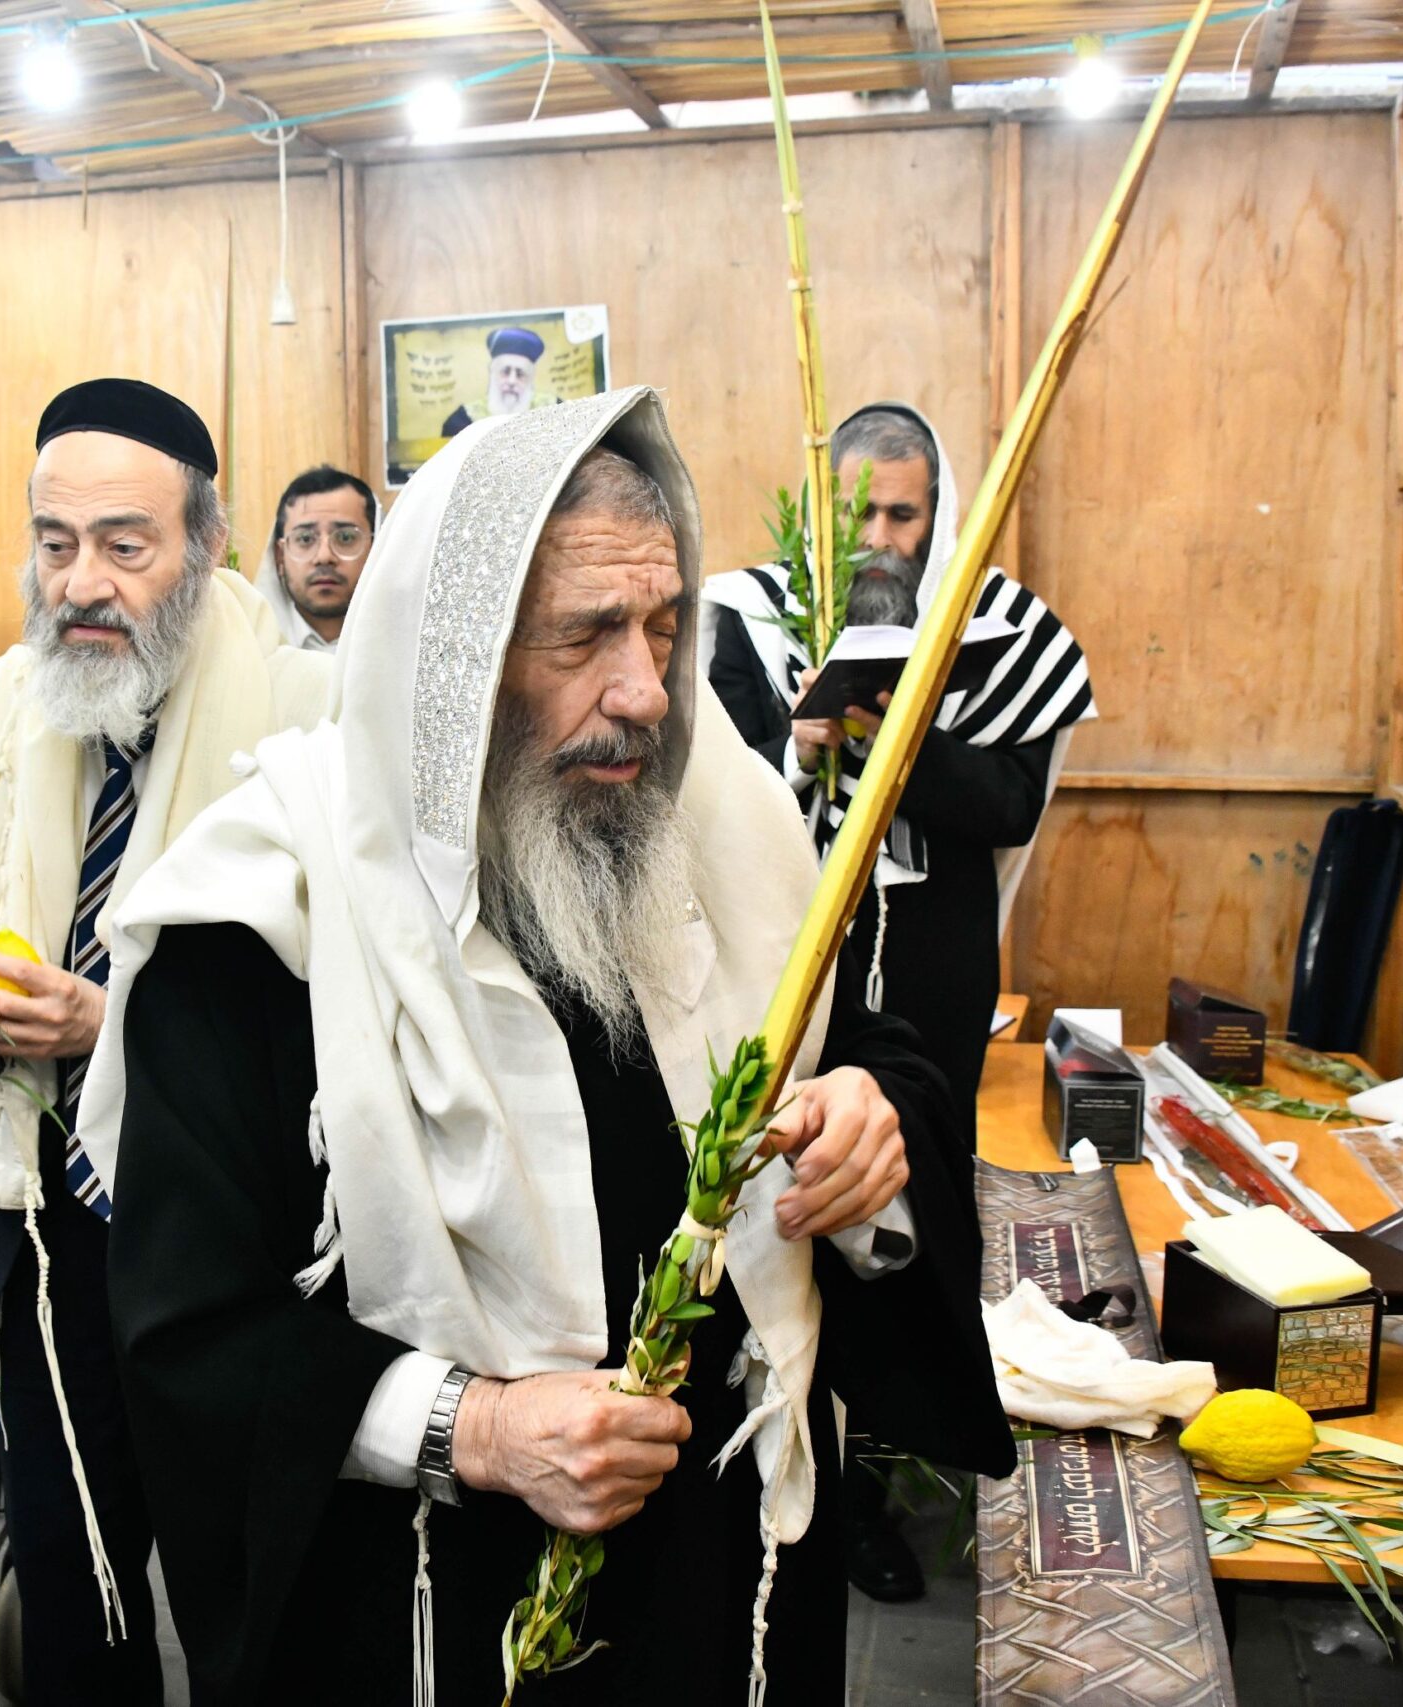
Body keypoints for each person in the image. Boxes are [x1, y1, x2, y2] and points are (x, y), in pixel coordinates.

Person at [82, 388, 1008, 1704]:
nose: (645, 692)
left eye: (665, 624)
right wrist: (481, 1425)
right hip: (432, 1603)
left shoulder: (719, 818)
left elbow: (874, 1047)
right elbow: (188, 1330)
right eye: (587, 635)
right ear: (455, 667)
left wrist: (873, 1115)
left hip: (723, 1579)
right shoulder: (259, 916)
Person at [0, 378, 325, 1705]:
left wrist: (120, 1025)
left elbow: (355, 1020)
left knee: (253, 1579)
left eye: (124, 545)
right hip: (46, 1217)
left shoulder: (308, 727)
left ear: (208, 546)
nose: (82, 581)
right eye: (54, 541)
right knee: (74, 1570)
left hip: (246, 1235)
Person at [702, 401, 1092, 1601]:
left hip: (926, 968)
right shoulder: (745, 618)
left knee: (917, 1208)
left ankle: (911, 1428)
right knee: (793, 1205)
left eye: (901, 513)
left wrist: (894, 729)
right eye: (855, 512)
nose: (876, 538)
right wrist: (805, 735)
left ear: (941, 516)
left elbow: (1008, 807)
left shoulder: (997, 627)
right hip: (791, 961)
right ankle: (829, 1482)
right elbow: (709, 779)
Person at [254, 463, 377, 651]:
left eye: (345, 537)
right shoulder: (251, 648)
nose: (324, 556)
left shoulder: (408, 649)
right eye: (305, 539)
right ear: (279, 556)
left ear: (376, 549)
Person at [438, 324, 547, 436]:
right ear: (492, 372)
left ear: (531, 377)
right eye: (505, 371)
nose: (511, 381)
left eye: (520, 374)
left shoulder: (553, 411)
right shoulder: (461, 420)